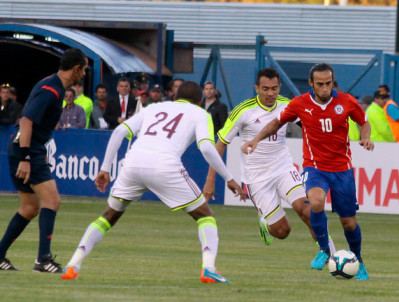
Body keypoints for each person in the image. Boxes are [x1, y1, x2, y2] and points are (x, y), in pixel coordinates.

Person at [61, 81, 246, 283]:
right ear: (200, 101)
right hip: (165, 165)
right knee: (205, 216)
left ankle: (73, 264)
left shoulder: (154, 107)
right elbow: (207, 149)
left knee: (108, 216)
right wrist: (229, 178)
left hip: (133, 162)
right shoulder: (200, 113)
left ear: (175, 97)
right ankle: (209, 268)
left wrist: (105, 168)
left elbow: (119, 132)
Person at [242, 63, 374, 280]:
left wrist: (366, 137)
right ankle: (323, 249)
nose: (324, 88)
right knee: (314, 202)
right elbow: (276, 123)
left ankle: (358, 260)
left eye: (328, 84)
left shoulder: (346, 101)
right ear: (311, 84)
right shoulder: (300, 104)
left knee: (349, 223)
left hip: (342, 170)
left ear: (333, 83)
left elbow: (364, 122)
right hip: (315, 167)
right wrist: (255, 140)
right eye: (320, 84)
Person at [203, 68, 335, 254]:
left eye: (274, 88)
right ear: (257, 88)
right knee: (282, 231)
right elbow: (220, 144)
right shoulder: (244, 111)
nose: (270, 93)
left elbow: (309, 126)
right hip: (257, 177)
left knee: (307, 210)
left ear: (280, 87)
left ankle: (333, 257)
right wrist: (211, 180)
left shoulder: (287, 105)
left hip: (283, 168)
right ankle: (265, 223)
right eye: (265, 89)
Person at [0, 48, 87, 272]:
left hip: (24, 148)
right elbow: (27, 121)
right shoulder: (51, 89)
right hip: (26, 150)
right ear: (76, 68)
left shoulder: (52, 84)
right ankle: (43, 259)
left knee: (29, 207)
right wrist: (27, 158)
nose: (84, 74)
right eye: (84, 69)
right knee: (52, 201)